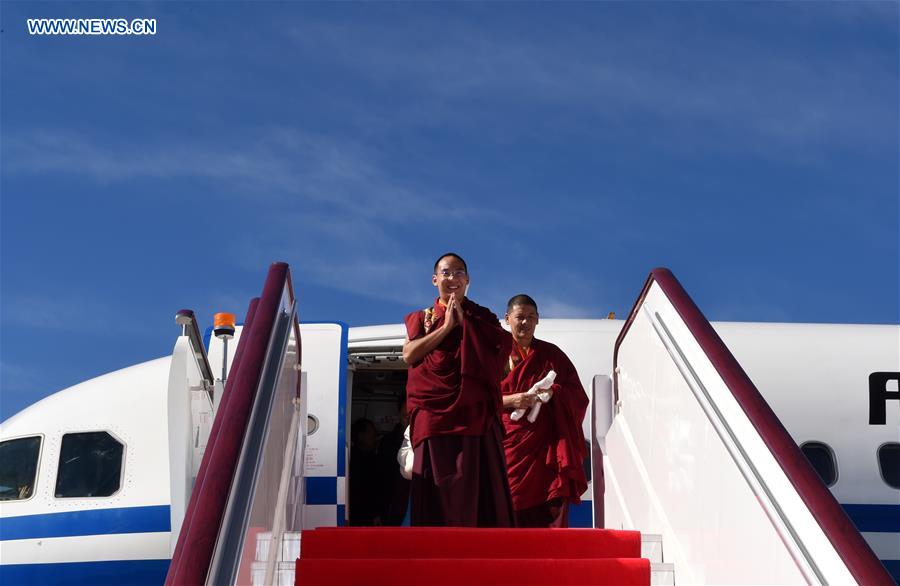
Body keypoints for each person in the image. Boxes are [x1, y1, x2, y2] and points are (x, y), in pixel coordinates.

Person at [402, 253, 514, 527]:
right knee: (434, 480)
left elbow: (502, 357)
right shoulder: (422, 318)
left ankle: (482, 541)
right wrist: (448, 327)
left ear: (468, 279)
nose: (452, 278)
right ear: (435, 279)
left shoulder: (482, 317)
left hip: (473, 410)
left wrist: (467, 325)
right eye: (446, 273)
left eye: (459, 273)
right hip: (434, 410)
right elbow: (409, 355)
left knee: (477, 477)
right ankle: (433, 543)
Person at [501, 294, 589, 528]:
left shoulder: (552, 355)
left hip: (544, 449)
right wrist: (513, 400)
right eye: (520, 317)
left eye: (531, 317)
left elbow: (578, 395)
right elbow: (478, 399)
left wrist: (554, 394)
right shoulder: (494, 354)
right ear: (507, 318)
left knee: (550, 496)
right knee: (504, 502)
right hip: (508, 443)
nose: (525, 322)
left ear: (538, 320)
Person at [376, 392, 411, 525]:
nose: (408, 420)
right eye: (405, 416)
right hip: (392, 502)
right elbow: (380, 477)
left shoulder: (425, 442)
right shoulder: (388, 442)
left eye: (411, 416)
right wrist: (378, 511)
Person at [348, 418, 381, 525]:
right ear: (361, 436)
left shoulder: (374, 459)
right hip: (358, 515)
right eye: (373, 434)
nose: (376, 438)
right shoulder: (350, 460)